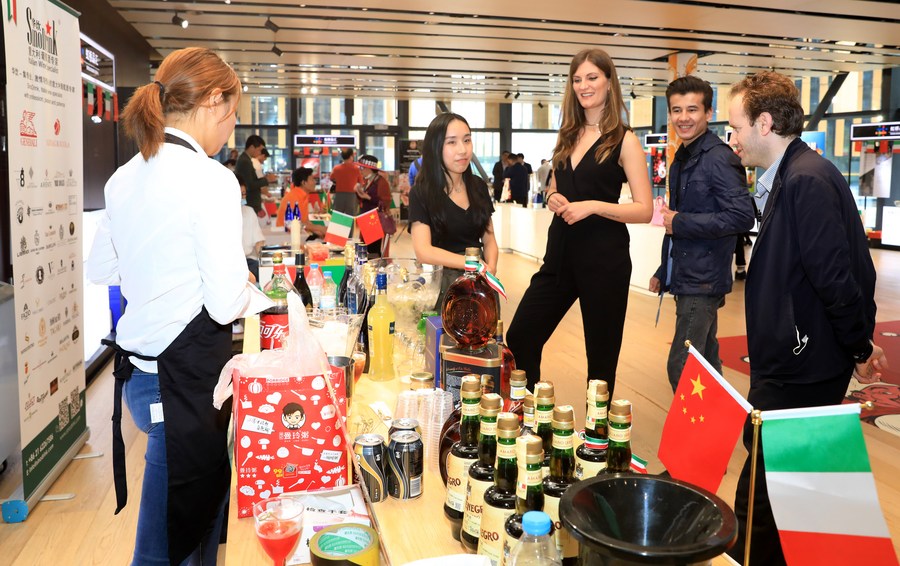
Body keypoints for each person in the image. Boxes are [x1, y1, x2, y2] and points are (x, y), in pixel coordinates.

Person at [86, 47, 269, 565]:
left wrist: (163, 271)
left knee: (193, 517)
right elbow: (226, 302)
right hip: (182, 384)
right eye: (233, 113)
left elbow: (101, 269)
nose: (231, 129)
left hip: (139, 378)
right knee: (169, 540)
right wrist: (253, 290)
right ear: (213, 102)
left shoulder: (125, 176)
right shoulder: (211, 178)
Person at [725, 71, 886, 565]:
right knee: (790, 489)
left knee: (761, 500)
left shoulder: (805, 181)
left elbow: (834, 278)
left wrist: (859, 346)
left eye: (736, 127)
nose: (731, 138)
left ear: (764, 123)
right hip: (795, 357)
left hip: (801, 365)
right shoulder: (794, 174)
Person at [506, 48, 652, 391]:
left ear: (609, 82)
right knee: (522, 335)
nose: (584, 86)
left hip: (604, 259)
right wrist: (553, 197)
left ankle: (597, 427)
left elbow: (644, 209)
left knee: (601, 362)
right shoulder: (568, 134)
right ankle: (532, 413)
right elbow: (557, 186)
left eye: (592, 77)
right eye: (577, 80)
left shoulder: (624, 140)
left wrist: (593, 206)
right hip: (560, 256)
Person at [648, 75, 755, 393]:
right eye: (676, 110)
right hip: (688, 275)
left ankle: (700, 426)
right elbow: (675, 222)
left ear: (709, 113)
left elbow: (742, 216)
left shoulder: (719, 159)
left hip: (703, 281)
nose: (683, 117)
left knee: (682, 366)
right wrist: (664, 270)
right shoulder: (682, 158)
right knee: (706, 362)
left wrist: (682, 222)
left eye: (692, 109)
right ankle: (723, 423)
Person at [408, 112, 498, 307]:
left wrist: (490, 268)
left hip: (481, 286)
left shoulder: (478, 187)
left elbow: (489, 239)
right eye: (451, 142)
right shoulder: (421, 193)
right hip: (444, 287)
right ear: (435, 147)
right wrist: (470, 263)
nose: (463, 150)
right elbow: (423, 251)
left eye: (467, 140)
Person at [356, 154, 392, 257]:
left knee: (373, 250)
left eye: (362, 168)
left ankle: (375, 266)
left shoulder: (381, 181)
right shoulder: (366, 180)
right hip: (366, 218)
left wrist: (368, 197)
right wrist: (358, 193)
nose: (360, 170)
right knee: (366, 248)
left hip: (375, 219)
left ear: (369, 169)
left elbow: (386, 201)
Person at [276, 167, 326, 238]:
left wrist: (317, 231)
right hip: (286, 236)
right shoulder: (293, 197)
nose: (315, 182)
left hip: (297, 233)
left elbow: (305, 221)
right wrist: (320, 228)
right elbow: (295, 223)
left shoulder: (303, 195)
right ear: (303, 182)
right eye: (312, 179)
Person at [236, 134, 275, 218]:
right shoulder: (245, 161)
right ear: (252, 147)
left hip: (251, 203)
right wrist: (267, 179)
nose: (260, 153)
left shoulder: (247, 160)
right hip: (250, 203)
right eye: (259, 150)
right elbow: (250, 185)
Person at [237, 172, 265, 281]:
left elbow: (259, 242)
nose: (242, 198)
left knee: (261, 272)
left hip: (247, 261)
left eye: (244, 194)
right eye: (239, 195)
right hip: (228, 263)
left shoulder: (249, 211)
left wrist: (263, 263)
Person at [331, 147, 364, 218]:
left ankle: (337, 226)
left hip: (339, 195)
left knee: (338, 217)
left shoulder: (336, 168)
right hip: (351, 196)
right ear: (351, 156)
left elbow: (332, 178)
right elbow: (361, 183)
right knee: (350, 217)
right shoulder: (356, 169)